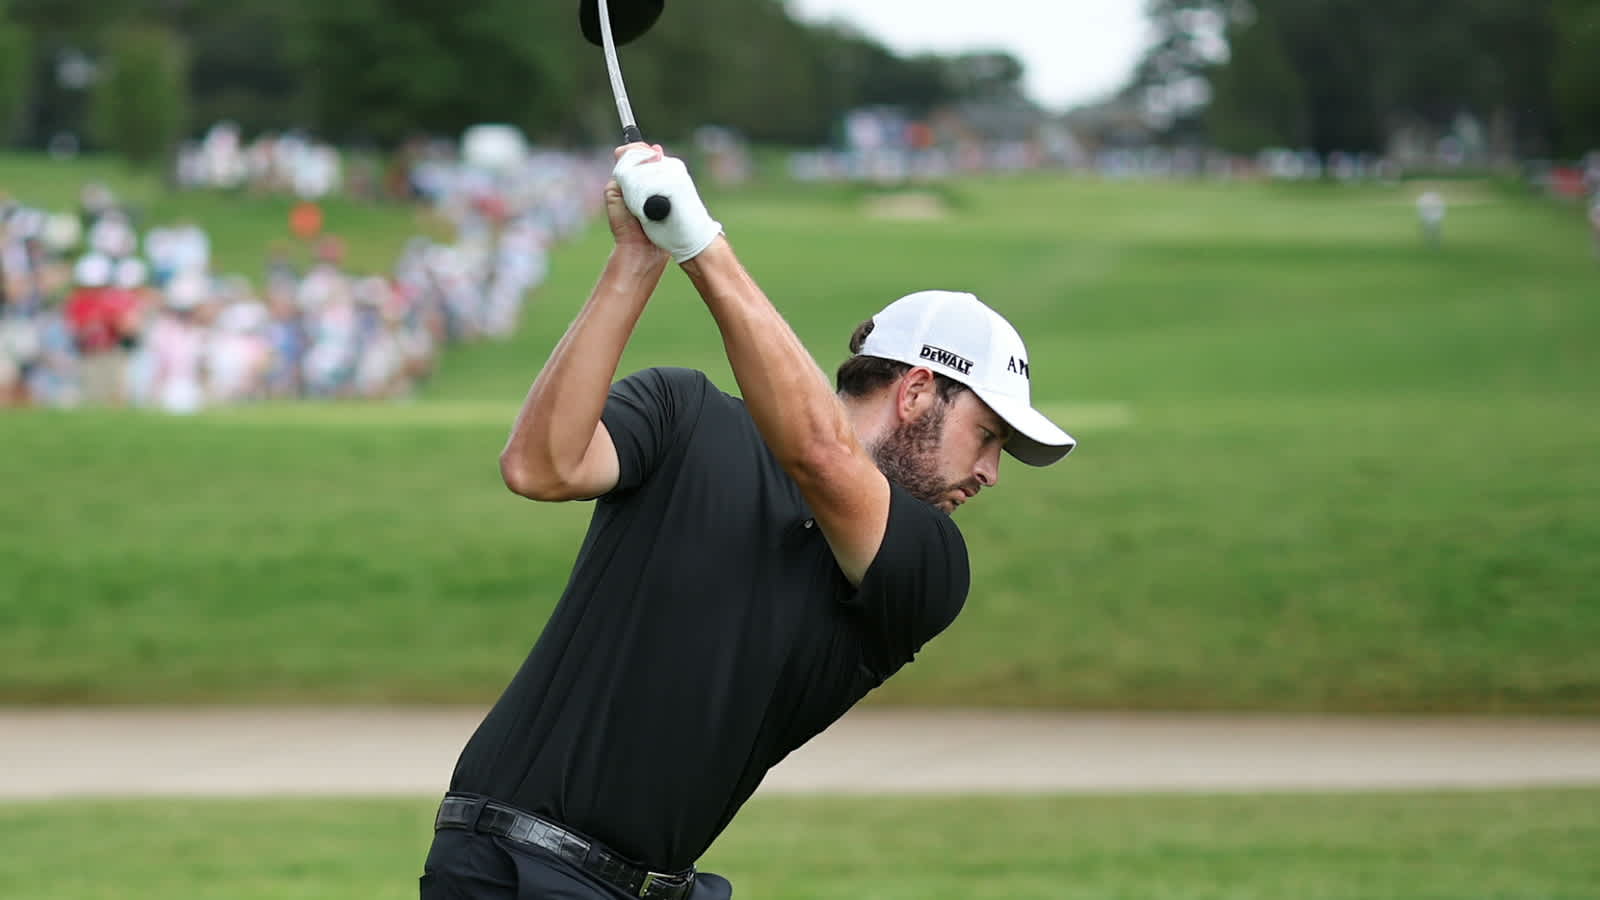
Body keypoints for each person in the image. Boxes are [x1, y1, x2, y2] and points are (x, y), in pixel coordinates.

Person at [420, 143, 1076, 900]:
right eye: (989, 436)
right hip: (511, 870)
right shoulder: (684, 413)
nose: (991, 472)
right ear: (918, 391)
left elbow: (822, 458)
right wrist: (639, 256)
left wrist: (699, 242)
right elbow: (540, 467)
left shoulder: (929, 565)